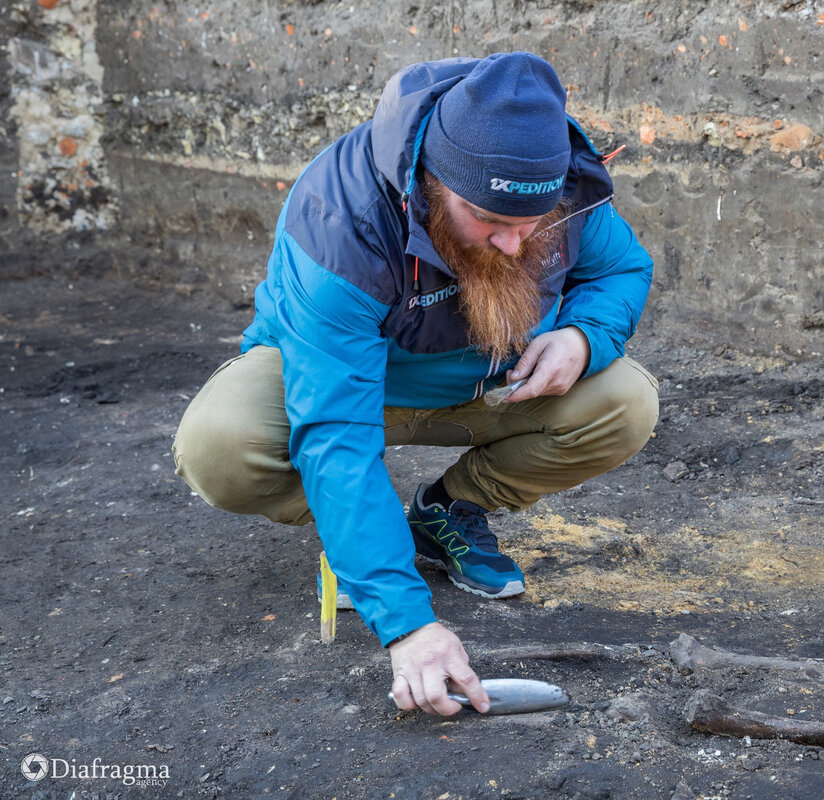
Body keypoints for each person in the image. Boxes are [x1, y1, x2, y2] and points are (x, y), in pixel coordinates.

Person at [172, 52, 658, 717]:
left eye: (530, 223)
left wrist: (583, 336)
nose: (513, 245)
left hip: (488, 386)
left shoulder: (564, 187)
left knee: (625, 402)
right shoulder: (339, 222)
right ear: (431, 182)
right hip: (344, 385)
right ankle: (362, 542)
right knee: (219, 446)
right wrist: (407, 625)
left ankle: (445, 512)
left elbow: (619, 269)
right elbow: (336, 432)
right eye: (489, 220)